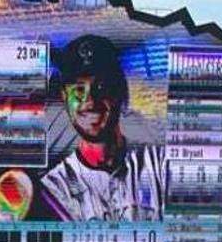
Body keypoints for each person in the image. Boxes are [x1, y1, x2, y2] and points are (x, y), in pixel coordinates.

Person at [36, 34, 164, 222]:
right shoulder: (54, 189)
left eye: (102, 87)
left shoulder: (159, 164)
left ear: (120, 91)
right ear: (64, 97)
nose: (90, 101)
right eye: (79, 90)